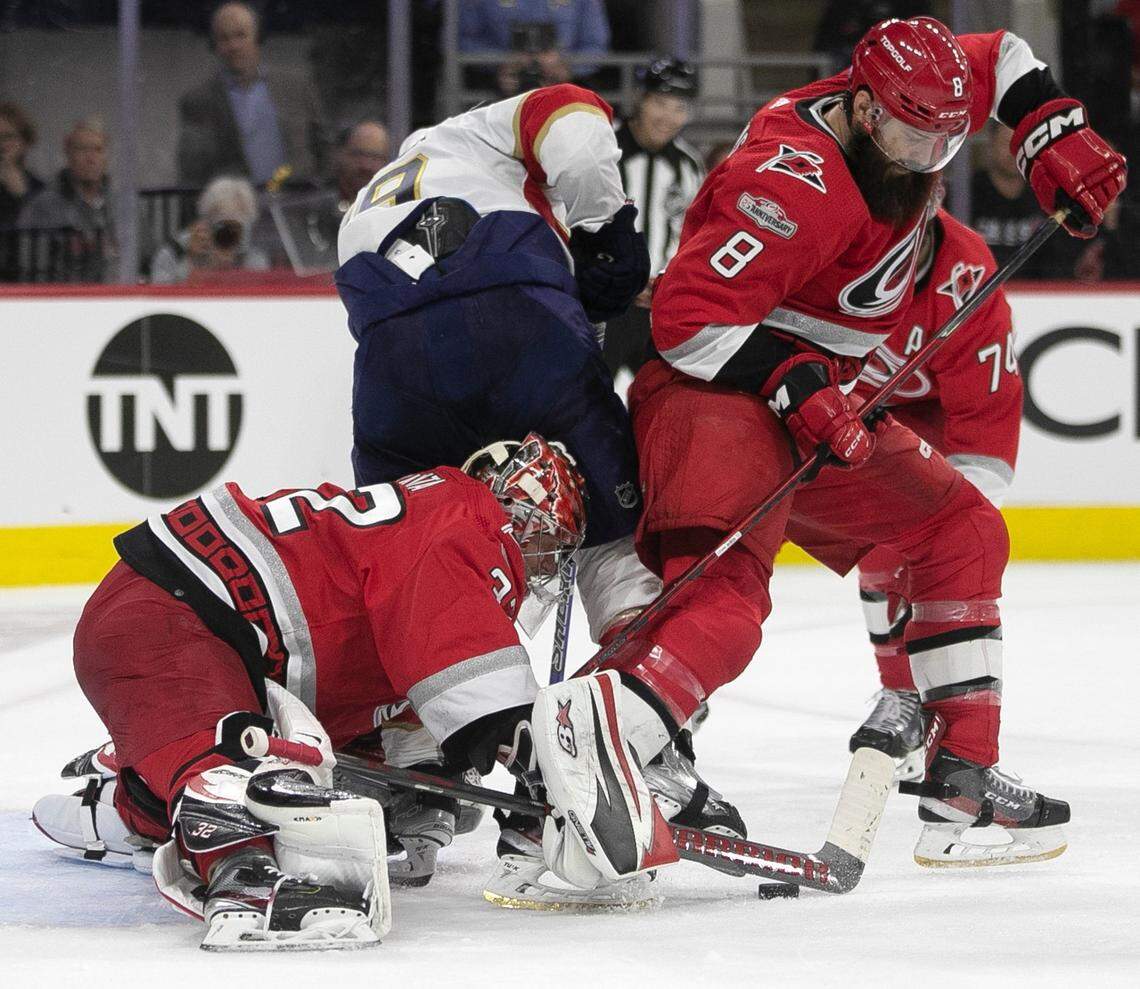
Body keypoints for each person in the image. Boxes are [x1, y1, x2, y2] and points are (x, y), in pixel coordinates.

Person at [590, 17, 1124, 869]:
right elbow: (685, 323)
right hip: (714, 395)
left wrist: (1046, 125)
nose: (932, 158)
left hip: (808, 400)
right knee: (724, 602)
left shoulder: (923, 92)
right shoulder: (792, 182)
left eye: (951, 138)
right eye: (916, 137)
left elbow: (1004, 57)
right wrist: (798, 383)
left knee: (964, 528)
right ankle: (598, 742)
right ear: (866, 111)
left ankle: (962, 782)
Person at [32, 436, 676, 949]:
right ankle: (244, 883)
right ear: (519, 512)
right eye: (546, 542)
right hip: (177, 612)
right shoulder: (464, 518)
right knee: (237, 783)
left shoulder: (421, 528)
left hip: (205, 625)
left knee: (286, 761)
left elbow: (384, 677)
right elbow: (463, 668)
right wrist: (535, 759)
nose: (540, 565)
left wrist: (417, 782)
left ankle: (134, 797)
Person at [843, 207, 1020, 780]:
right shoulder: (833, 237)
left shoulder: (965, 271)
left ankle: (930, 706)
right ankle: (901, 697)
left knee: (931, 544)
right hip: (840, 411)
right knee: (874, 546)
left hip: (935, 418)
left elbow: (987, 412)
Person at [605, 58, 704, 381]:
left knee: (660, 402)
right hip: (600, 302)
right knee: (585, 404)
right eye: (660, 103)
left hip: (658, 308)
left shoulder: (689, 165)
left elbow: (693, 236)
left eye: (679, 106)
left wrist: (668, 281)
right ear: (640, 99)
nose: (668, 117)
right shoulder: (603, 150)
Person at [178, 1, 328, 187]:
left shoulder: (296, 87)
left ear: (257, 38)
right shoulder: (199, 101)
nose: (233, 46)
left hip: (297, 204)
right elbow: (193, 170)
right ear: (214, 45)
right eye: (224, 38)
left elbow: (322, 146)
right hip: (237, 209)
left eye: (241, 36)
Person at [18, 117, 115, 282]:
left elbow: (146, 256)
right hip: (64, 299)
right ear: (68, 154)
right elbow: (31, 268)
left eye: (98, 150)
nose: (91, 158)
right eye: (82, 149)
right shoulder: (43, 207)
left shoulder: (123, 206)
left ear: (106, 157)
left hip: (120, 299)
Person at [150, 175, 270, 283]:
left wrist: (228, 268)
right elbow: (161, 298)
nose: (228, 234)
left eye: (236, 227)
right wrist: (191, 263)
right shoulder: (175, 254)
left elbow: (256, 299)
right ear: (206, 221)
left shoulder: (252, 257)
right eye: (223, 225)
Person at [970, 121, 1051, 276]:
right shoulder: (967, 194)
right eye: (1006, 144)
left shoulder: (1044, 194)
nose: (1014, 153)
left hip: (1038, 295)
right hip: (980, 291)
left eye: (1021, 146)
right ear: (991, 144)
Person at [0, 102, 43, 229]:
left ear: (24, 142)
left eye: (8, 137)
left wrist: (22, 197)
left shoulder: (39, 188)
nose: (1, 144)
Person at [332, 121, 390, 214]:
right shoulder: (315, 209)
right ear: (341, 155)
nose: (366, 166)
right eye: (358, 154)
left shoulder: (393, 211)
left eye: (375, 157)